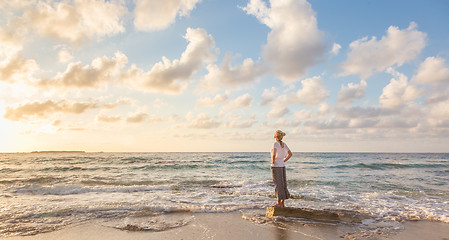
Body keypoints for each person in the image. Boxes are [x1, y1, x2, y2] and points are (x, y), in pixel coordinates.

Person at [270, 130, 292, 207]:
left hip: (276, 166)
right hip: (282, 165)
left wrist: (272, 161)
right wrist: (283, 161)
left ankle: (278, 203)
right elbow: (290, 154)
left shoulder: (275, 144)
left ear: (276, 136)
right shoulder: (284, 144)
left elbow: (274, 153)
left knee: (278, 184)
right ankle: (282, 203)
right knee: (283, 184)